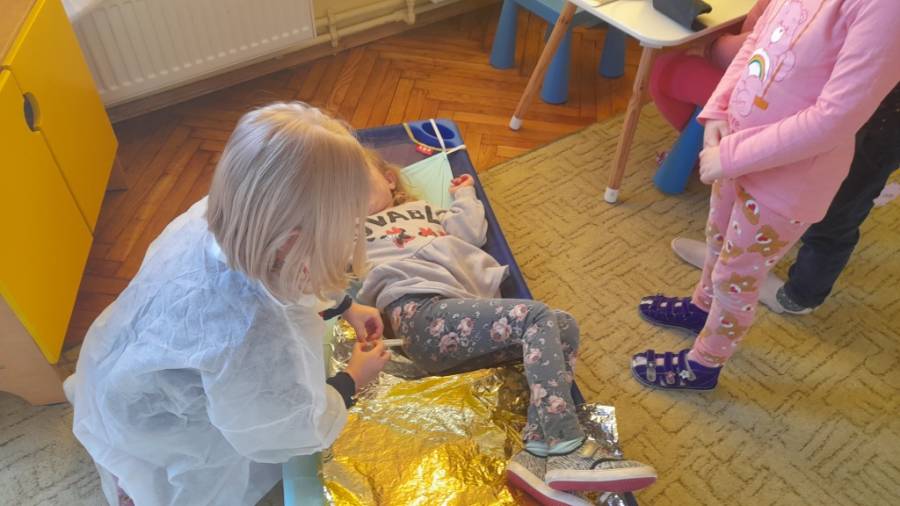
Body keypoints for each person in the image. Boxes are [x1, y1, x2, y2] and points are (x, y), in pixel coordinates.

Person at [65, 102, 392, 506]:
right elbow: (284, 427)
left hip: (113, 368)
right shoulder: (253, 327)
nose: (352, 237)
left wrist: (345, 306)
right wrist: (352, 380)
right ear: (294, 237)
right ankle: (134, 485)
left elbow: (292, 269)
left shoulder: (220, 216)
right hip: (161, 429)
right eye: (348, 227)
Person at [357, 156, 657, 505]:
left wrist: (464, 194)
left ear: (389, 179)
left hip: (464, 322)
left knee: (563, 324)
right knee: (536, 316)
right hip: (421, 314)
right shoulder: (349, 231)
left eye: (357, 178)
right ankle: (567, 444)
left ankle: (536, 453)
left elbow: (472, 232)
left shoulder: (424, 210)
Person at [631, 0, 900, 390]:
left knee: (735, 278)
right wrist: (719, 109)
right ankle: (701, 307)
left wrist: (731, 156)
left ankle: (704, 364)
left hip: (786, 182)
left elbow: (835, 118)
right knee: (717, 241)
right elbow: (757, 42)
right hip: (736, 149)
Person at [671, 85, 899, 315]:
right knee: (796, 181)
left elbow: (828, 121)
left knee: (839, 211)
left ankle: (799, 297)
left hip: (883, 121)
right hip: (860, 103)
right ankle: (728, 258)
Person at [649, 0, 771, 136]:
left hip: (761, 97)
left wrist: (711, 49)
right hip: (757, 72)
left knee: (663, 72)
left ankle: (706, 143)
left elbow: (766, 46)